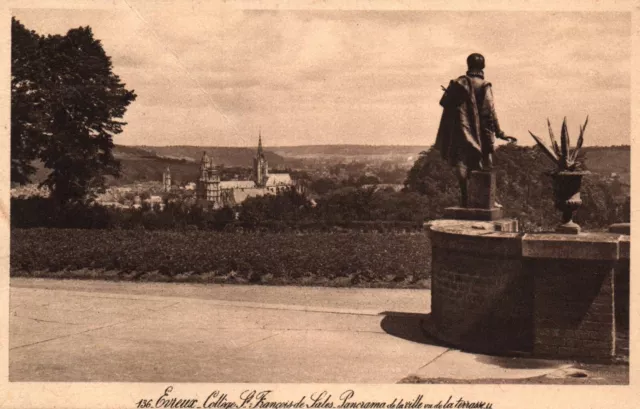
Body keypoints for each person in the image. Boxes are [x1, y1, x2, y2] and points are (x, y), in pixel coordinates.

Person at [435, 53, 516, 207]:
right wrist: (499, 133)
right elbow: (489, 112)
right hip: (479, 132)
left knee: (462, 162)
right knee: (485, 163)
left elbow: (446, 105)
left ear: (468, 65)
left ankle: (465, 198)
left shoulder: (458, 83)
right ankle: (487, 199)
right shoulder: (484, 85)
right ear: (483, 66)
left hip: (459, 130)